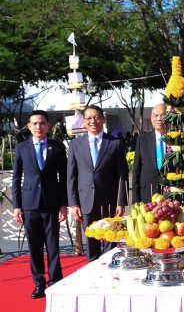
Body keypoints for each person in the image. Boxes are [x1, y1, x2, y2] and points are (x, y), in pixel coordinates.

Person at [12, 110, 67, 299]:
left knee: (53, 245)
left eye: (42, 123)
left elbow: (64, 178)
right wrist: (16, 206)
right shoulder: (22, 147)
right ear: (28, 126)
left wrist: (64, 204)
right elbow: (16, 178)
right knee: (34, 246)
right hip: (29, 204)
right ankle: (39, 283)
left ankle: (55, 281)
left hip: (52, 203)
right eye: (34, 123)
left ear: (48, 125)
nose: (38, 126)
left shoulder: (57, 147)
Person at [67, 105, 128, 262]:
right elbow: (71, 176)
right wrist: (74, 204)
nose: (92, 121)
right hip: (85, 200)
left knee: (111, 242)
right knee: (91, 243)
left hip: (109, 202)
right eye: (88, 118)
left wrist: (121, 202)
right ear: (84, 121)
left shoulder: (115, 143)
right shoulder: (75, 145)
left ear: (103, 119)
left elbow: (122, 175)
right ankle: (92, 272)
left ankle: (111, 270)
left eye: (96, 117)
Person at [132, 103, 167, 203]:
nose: (159, 118)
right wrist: (135, 200)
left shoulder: (176, 140)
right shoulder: (142, 139)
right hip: (147, 193)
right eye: (156, 115)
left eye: (163, 115)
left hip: (169, 194)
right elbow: (136, 171)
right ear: (151, 118)